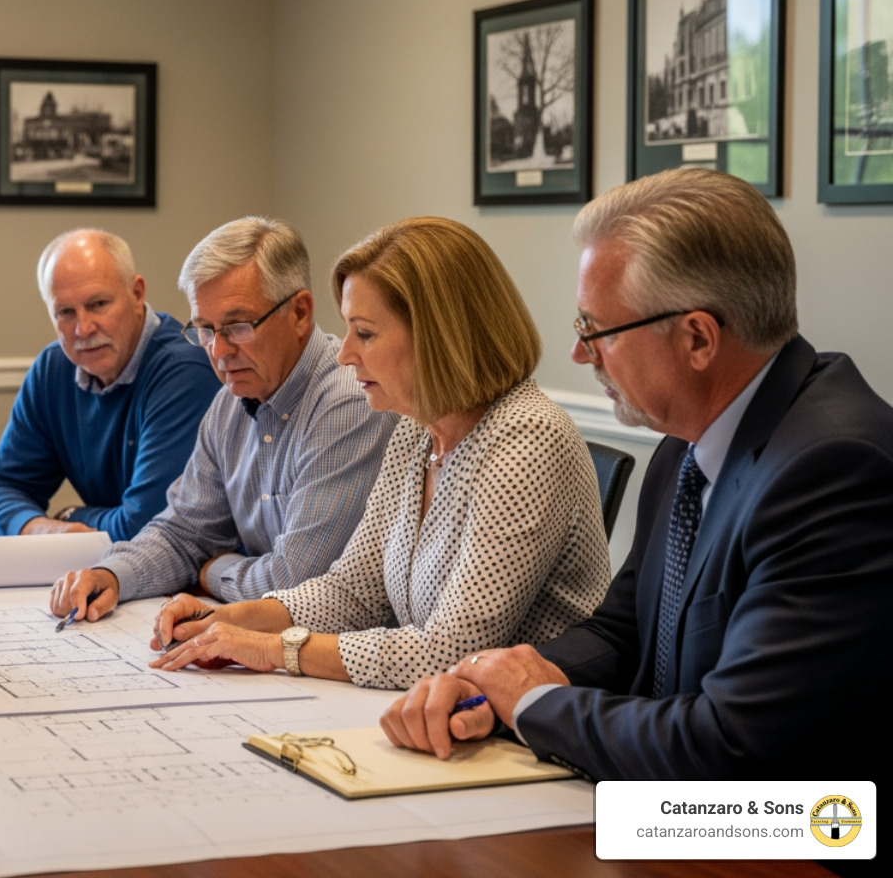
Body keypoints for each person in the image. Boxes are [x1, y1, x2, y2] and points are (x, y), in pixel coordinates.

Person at [381, 169, 893, 781]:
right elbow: (624, 632)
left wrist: (535, 705)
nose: (579, 354)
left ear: (698, 338)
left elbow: (732, 748)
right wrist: (493, 687)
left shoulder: (833, 471)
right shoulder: (690, 435)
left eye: (596, 330)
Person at [150, 218, 609, 689]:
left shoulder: (527, 439)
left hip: (535, 732)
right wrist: (229, 620)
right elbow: (353, 591)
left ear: (439, 335)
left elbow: (449, 652)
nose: (345, 354)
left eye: (364, 334)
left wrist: (274, 648)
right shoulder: (416, 431)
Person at [50, 217, 395, 620]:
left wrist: (215, 571)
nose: (218, 351)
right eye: (205, 330)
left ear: (300, 313)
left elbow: (296, 581)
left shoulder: (348, 403)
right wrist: (111, 574)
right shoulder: (230, 403)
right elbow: (183, 532)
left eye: (237, 326)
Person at [0, 230, 221, 541]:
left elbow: (147, 528)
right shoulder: (54, 369)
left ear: (137, 293)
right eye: (65, 312)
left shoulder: (184, 370)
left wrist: (70, 516)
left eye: (98, 304)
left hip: (201, 579)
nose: (83, 328)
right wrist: (37, 528)